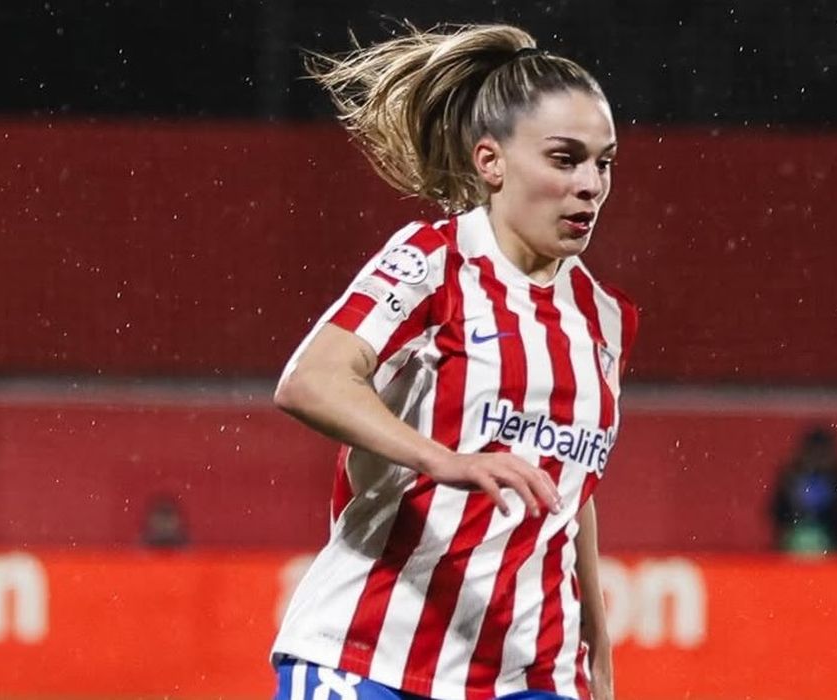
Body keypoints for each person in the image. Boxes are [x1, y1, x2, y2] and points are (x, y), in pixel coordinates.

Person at [269, 23, 637, 700]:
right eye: (565, 159)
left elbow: (568, 488)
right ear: (491, 162)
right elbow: (311, 380)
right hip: (370, 653)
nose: (590, 185)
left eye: (603, 163)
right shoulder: (435, 261)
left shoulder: (605, 317)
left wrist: (599, 654)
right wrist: (444, 460)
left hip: (532, 673)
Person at [770, 425, 837, 555]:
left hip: (833, 546)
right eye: (814, 453)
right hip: (792, 545)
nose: (818, 459)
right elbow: (776, 511)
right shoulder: (791, 477)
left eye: (822, 454)